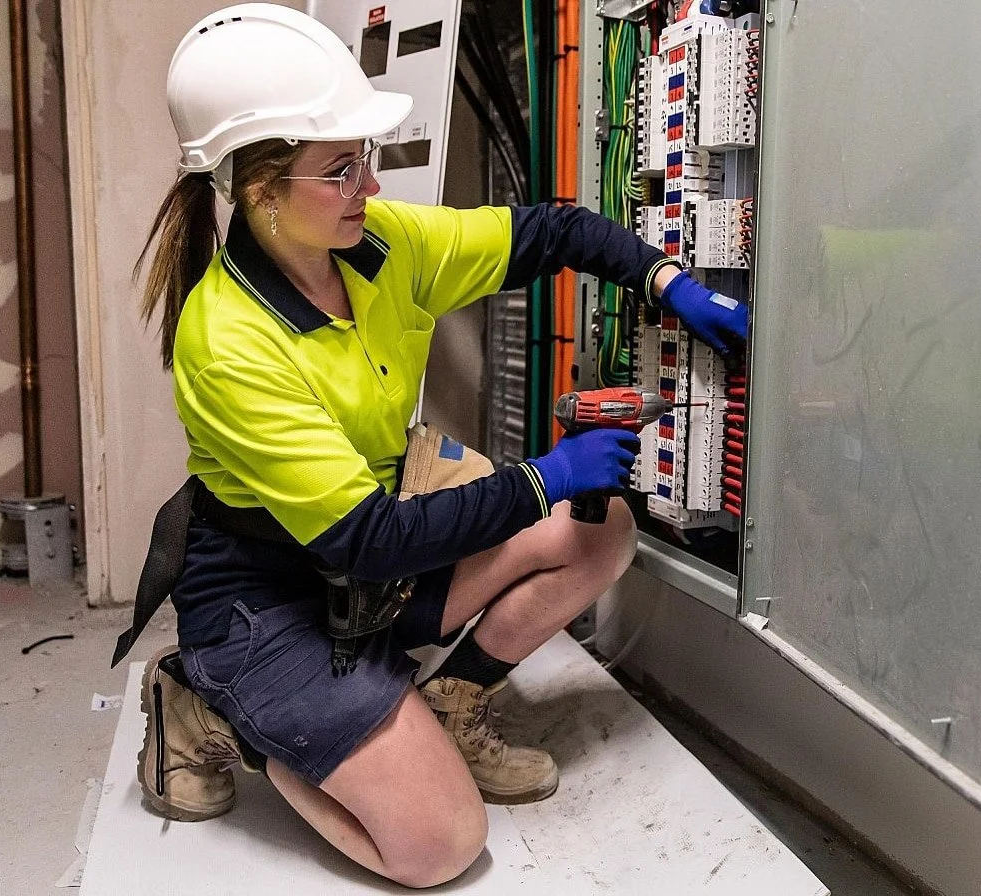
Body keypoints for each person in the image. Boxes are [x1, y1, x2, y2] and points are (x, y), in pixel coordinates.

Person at [114, 2, 748, 889]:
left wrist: (665, 276)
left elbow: (552, 230)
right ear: (258, 187)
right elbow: (363, 541)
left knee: (597, 533)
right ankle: (208, 705)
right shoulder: (227, 341)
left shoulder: (378, 244)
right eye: (339, 169)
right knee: (441, 845)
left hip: (364, 566)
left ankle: (446, 706)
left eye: (363, 160)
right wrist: (543, 478)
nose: (368, 187)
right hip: (270, 602)